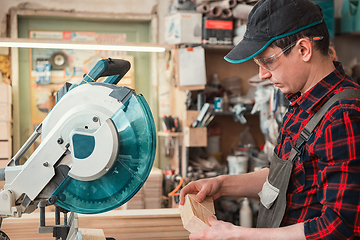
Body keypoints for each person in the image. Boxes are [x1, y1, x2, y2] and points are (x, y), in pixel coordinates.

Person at [179, 0, 360, 239]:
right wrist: (222, 184)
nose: (262, 74)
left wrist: (240, 234)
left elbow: (339, 226)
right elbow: (288, 177)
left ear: (304, 50)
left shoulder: (343, 114)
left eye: (268, 61)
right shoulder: (300, 101)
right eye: (258, 63)